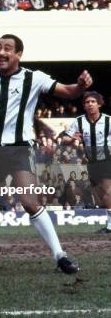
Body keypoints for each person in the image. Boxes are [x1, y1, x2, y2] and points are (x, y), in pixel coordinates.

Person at [0, 34, 91, 274]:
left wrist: (82, 86)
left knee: (29, 202)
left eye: (8, 49)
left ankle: (60, 255)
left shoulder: (33, 78)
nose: (1, 52)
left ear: (19, 55)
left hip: (20, 150)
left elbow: (69, 92)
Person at [61, 91, 111, 234]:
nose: (90, 104)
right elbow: (65, 139)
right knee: (101, 196)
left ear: (99, 104)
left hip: (107, 160)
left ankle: (109, 226)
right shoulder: (79, 121)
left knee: (108, 192)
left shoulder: (108, 121)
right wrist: (72, 139)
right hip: (91, 163)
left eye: (93, 102)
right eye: (87, 102)